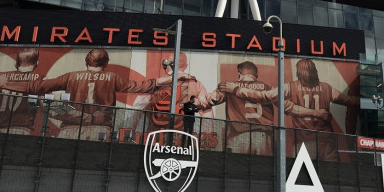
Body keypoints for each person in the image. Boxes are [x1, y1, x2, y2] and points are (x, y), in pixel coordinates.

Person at [0, 48, 187, 140]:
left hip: (70, 129)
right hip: (101, 130)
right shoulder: (113, 78)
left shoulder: (71, 76)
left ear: (86, 61)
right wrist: (173, 77)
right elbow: (143, 85)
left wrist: (8, 82)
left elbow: (38, 87)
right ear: (106, 63)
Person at [219, 58, 359, 160]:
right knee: (335, 182)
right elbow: (350, 102)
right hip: (327, 142)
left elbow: (263, 96)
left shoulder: (289, 87)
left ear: (298, 72)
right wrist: (369, 101)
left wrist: (237, 89)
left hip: (302, 144)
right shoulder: (327, 88)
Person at [211, 61, 275, 154]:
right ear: (256, 76)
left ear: (239, 74)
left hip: (237, 136)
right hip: (264, 137)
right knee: (263, 167)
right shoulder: (268, 88)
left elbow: (210, 100)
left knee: (237, 167)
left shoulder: (228, 86)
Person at [145, 52, 215, 134]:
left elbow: (139, 106)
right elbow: (207, 113)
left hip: (155, 134)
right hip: (182, 135)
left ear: (168, 65)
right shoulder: (197, 84)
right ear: (186, 66)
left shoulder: (156, 83)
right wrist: (207, 138)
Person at [0, 48, 42, 135]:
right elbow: (47, 105)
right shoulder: (41, 80)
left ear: (15, 63)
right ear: (37, 63)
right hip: (19, 128)